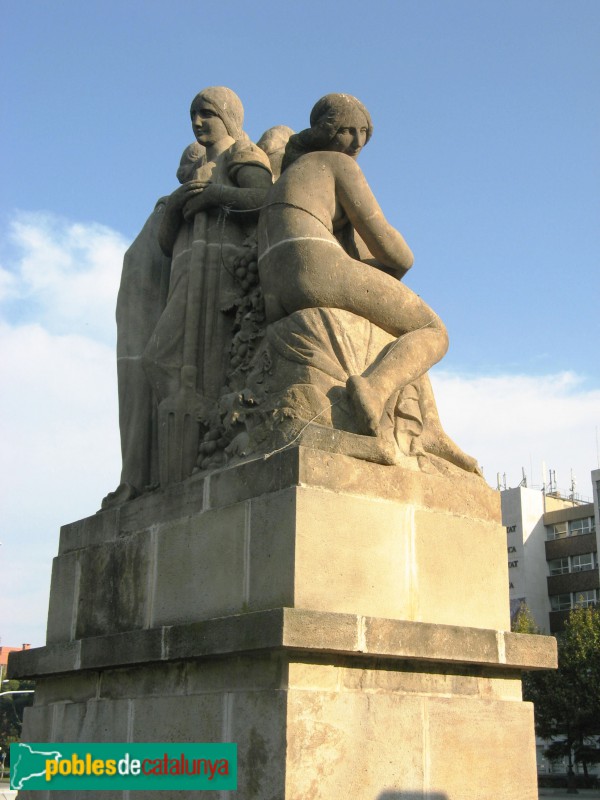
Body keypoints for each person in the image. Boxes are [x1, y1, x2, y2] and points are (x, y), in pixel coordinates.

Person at [258, 93, 448, 438]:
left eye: (364, 133)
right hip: (314, 267)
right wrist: (390, 270)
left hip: (275, 288)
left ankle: (430, 433)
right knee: (433, 330)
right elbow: (396, 253)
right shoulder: (337, 164)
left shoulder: (290, 175)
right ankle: (374, 389)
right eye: (347, 131)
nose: (357, 142)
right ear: (324, 132)